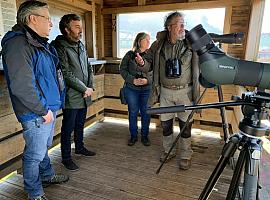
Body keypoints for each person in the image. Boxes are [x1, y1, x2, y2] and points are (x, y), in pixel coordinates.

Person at [1, 1, 69, 200]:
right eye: (47, 18)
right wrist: (42, 110)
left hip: (46, 108)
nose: (50, 24)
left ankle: (46, 176)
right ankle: (34, 192)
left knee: (41, 148)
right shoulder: (17, 44)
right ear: (32, 19)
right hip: (36, 112)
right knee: (34, 154)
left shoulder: (37, 42)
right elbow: (22, 86)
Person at [141, 11, 200, 170]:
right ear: (169, 27)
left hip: (185, 92)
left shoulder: (191, 43)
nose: (183, 27)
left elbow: (205, 59)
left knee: (185, 126)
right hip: (166, 92)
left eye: (183, 24)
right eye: (179, 24)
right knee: (166, 125)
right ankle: (169, 151)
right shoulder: (158, 45)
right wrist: (141, 63)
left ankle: (186, 155)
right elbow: (148, 64)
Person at [51, 14, 96, 171]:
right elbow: (65, 73)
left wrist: (89, 88)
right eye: (77, 27)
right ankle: (66, 157)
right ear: (66, 29)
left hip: (84, 94)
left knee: (80, 124)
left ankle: (80, 147)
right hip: (71, 95)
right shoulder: (59, 47)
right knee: (68, 127)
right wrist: (84, 89)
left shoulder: (80, 44)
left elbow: (89, 67)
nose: (80, 30)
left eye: (81, 27)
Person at [119, 32, 152, 146]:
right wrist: (132, 80)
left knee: (146, 113)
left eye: (149, 39)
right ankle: (133, 136)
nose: (149, 42)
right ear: (139, 41)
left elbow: (155, 72)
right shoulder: (129, 55)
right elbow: (122, 70)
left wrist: (147, 80)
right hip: (131, 89)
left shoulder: (151, 55)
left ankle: (145, 136)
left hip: (147, 89)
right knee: (133, 113)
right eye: (146, 39)